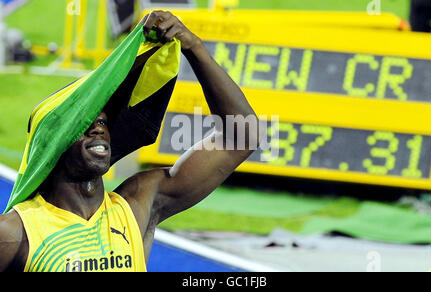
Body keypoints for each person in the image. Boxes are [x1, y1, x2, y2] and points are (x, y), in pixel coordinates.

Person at [0, 11, 258, 272]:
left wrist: (194, 47)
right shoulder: (17, 232)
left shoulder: (137, 205)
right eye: (82, 124)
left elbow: (242, 137)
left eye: (101, 122)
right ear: (52, 145)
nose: (98, 130)